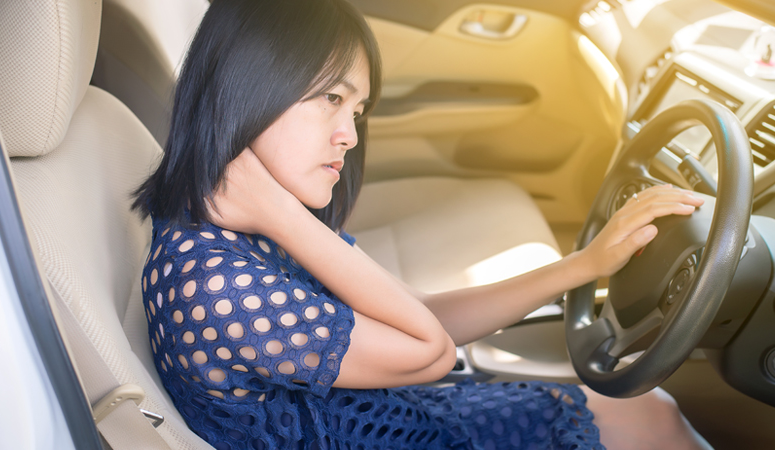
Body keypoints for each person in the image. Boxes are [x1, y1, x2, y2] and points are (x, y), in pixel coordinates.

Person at [132, 0, 711, 448]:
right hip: (395, 424)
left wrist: (584, 266)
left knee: (650, 410)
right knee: (651, 419)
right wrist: (285, 217)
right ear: (248, 92)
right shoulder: (217, 284)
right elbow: (430, 351)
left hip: (392, 414)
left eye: (356, 110)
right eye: (331, 98)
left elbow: (425, 316)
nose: (350, 135)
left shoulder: (252, 226)